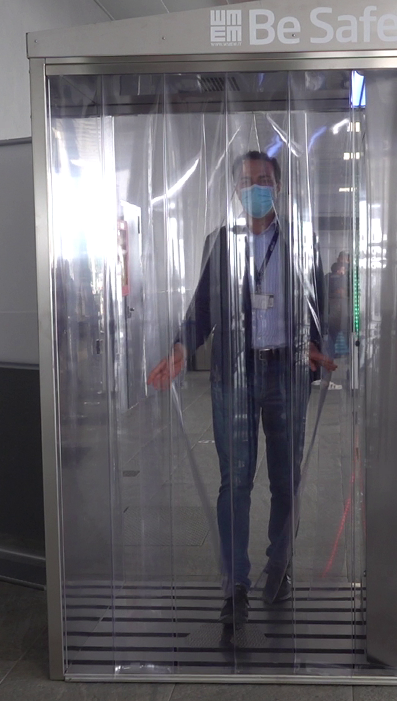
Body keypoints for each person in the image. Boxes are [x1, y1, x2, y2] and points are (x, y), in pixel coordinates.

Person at [147, 150, 336, 627]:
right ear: (235, 190)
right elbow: (203, 308)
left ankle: (279, 564)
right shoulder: (221, 242)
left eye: (265, 180)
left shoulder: (299, 241)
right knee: (235, 481)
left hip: (286, 373)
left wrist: (318, 345)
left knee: (285, 480)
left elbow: (316, 305)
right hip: (235, 375)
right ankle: (235, 583)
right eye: (248, 181)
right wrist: (180, 347)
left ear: (279, 186)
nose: (256, 188)